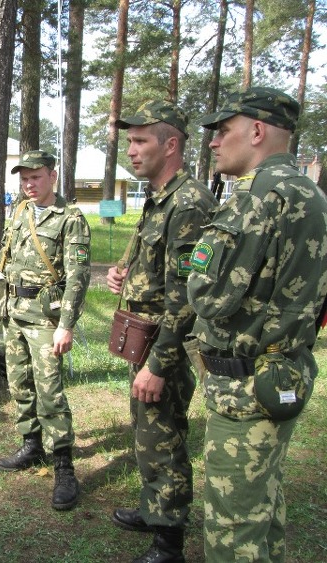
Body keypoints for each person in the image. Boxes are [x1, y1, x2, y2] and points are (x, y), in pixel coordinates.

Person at [188, 86, 327, 562]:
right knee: (263, 513)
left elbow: (210, 293)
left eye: (223, 131)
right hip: (282, 373)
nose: (213, 142)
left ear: (258, 130)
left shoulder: (261, 197)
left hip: (245, 389)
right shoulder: (311, 194)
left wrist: (193, 268)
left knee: (233, 534)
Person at [107, 100, 217, 563]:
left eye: (140, 141)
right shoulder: (160, 197)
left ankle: (169, 540)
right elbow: (157, 269)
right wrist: (123, 274)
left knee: (164, 436)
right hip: (147, 338)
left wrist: (158, 364)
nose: (130, 151)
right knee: (147, 432)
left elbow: (187, 296)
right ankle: (155, 509)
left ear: (171, 144)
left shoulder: (188, 202)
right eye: (129, 141)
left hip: (165, 348)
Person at [0, 150, 91, 511]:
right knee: (19, 382)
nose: (29, 183)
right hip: (14, 312)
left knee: (50, 390)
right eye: (24, 177)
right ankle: (31, 445)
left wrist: (66, 326)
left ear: (52, 177)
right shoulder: (20, 211)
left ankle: (64, 466)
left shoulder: (71, 219)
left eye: (36, 177)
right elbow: (1, 258)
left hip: (46, 317)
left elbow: (78, 278)